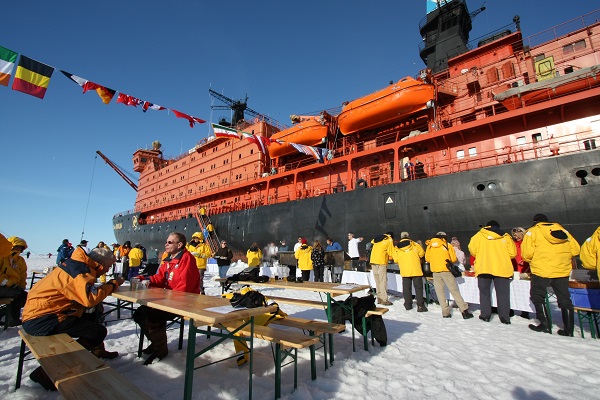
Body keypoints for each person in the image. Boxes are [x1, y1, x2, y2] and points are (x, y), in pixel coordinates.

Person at [22, 247, 123, 391]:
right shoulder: (81, 272)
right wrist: (113, 284)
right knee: (98, 332)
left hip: (40, 313)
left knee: (92, 314)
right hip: (42, 320)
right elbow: (89, 299)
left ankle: (97, 350)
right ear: (101, 263)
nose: (107, 270)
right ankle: (44, 373)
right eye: (108, 266)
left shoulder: (78, 265)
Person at [133, 232, 200, 365]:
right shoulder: (169, 259)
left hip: (184, 302)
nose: (166, 244)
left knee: (153, 316)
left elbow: (185, 286)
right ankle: (156, 342)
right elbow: (159, 278)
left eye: (170, 242)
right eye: (166, 241)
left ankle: (161, 350)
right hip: (170, 300)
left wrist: (165, 299)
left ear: (179, 245)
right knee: (139, 314)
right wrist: (145, 279)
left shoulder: (187, 258)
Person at [522, 214, 580, 336]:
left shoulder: (532, 232)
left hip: (542, 270)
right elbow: (575, 250)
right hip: (562, 271)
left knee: (537, 296)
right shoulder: (562, 230)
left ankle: (545, 325)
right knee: (564, 298)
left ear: (535, 222)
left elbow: (526, 254)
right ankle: (569, 330)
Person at [468, 221, 517, 324]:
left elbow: (472, 251)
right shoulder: (505, 236)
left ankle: (485, 315)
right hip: (502, 269)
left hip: (484, 268)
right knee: (503, 294)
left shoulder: (478, 236)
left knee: (484, 293)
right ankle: (504, 317)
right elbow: (513, 253)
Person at [425, 232, 473, 319]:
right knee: (454, 291)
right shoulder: (447, 245)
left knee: (440, 293)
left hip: (435, 272)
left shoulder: (430, 246)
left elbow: (427, 259)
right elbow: (454, 259)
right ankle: (464, 310)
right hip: (446, 271)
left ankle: (445, 312)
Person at [393, 233, 427, 311]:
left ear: (401, 238)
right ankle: (420, 305)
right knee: (418, 288)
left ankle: (408, 305)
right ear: (408, 237)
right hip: (416, 269)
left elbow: (396, 260)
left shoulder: (397, 248)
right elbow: (422, 254)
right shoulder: (415, 245)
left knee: (406, 288)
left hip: (405, 270)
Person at [0, 235, 29, 327]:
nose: (18, 249)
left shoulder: (20, 261)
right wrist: (6, 282)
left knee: (23, 296)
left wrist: (21, 286)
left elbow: (22, 276)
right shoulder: (2, 257)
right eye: (16, 246)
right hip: (2, 286)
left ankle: (11, 318)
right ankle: (10, 318)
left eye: (20, 247)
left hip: (11, 287)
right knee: (19, 295)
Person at [369, 232, 394, 305]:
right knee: (383, 280)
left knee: (378, 281)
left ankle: (379, 298)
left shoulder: (377, 240)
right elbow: (391, 252)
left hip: (373, 261)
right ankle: (384, 300)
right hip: (381, 261)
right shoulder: (389, 240)